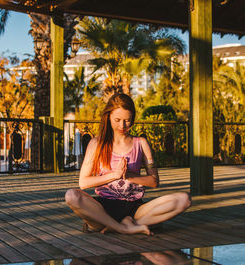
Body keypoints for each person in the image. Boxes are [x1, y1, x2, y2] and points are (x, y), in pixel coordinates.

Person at [65, 93, 191, 235]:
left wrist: (128, 176)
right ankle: (121, 227)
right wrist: (115, 175)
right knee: (71, 196)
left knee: (184, 200)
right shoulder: (97, 143)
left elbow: (154, 181)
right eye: (117, 120)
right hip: (103, 208)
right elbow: (83, 182)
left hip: (135, 209)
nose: (122, 125)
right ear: (109, 117)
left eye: (127, 120)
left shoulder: (141, 143)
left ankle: (123, 224)